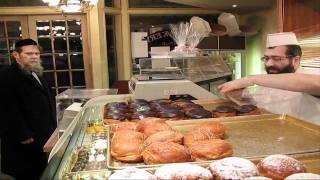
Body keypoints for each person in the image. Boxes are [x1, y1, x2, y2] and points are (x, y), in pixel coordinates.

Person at [0, 39, 57, 179]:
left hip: (42, 132)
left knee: (41, 170)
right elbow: (6, 109)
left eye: (37, 53)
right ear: (16, 55)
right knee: (27, 172)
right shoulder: (6, 76)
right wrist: (23, 134)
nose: (34, 56)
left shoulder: (35, 71)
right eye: (29, 53)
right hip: (25, 138)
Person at [218, 32, 320, 96]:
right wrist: (241, 95)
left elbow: (311, 83)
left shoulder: (312, 75)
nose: (269, 63)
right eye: (266, 58)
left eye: (277, 59)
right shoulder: (268, 81)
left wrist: (251, 79)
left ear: (296, 60)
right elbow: (264, 107)